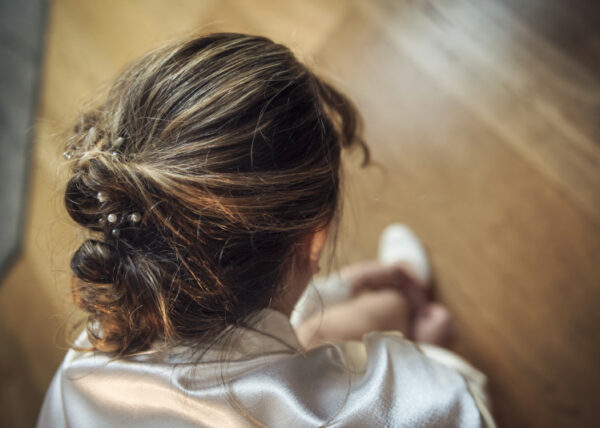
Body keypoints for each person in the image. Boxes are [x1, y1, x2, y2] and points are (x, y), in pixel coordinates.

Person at [37, 33, 494, 427]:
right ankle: (407, 308)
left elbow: (233, 343)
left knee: (341, 323)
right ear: (314, 240)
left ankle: (393, 302)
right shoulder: (351, 414)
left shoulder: (89, 361)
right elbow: (465, 403)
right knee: (401, 317)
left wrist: (341, 288)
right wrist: (433, 353)